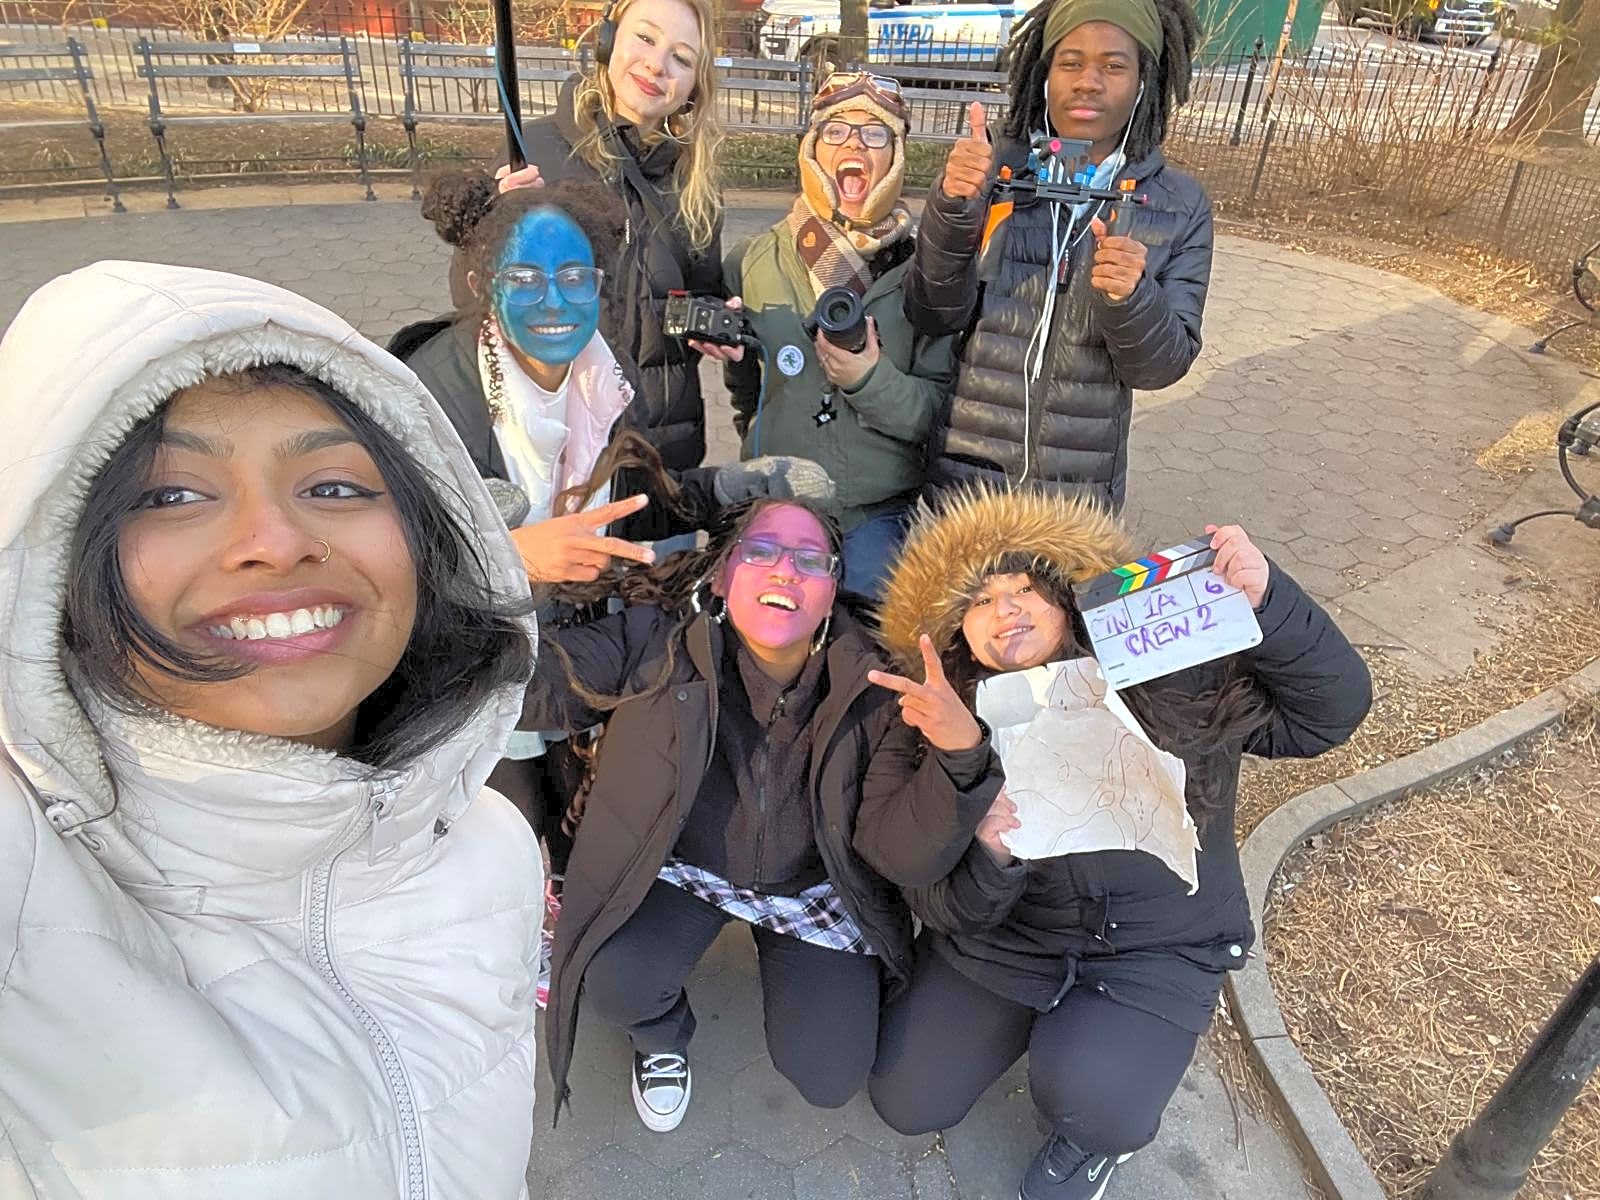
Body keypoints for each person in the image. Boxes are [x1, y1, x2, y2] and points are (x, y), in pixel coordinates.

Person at [0, 261, 544, 1197]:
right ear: (53, 564)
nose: (278, 538)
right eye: (168, 495)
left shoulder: (489, 846)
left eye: (335, 485)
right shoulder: (26, 899)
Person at [866, 487, 1373, 1199]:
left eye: (1025, 588)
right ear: (951, 631)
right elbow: (926, 888)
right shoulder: (937, 714)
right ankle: (1045, 1039)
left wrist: (1268, 602)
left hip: (1158, 945)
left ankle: (1095, 1139)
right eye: (979, 601)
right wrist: (985, 834)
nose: (1006, 609)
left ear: (1067, 597)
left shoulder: (1164, 665)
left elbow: (1328, 716)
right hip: (1005, 943)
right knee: (907, 1100)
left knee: (1093, 1097)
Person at [524, 496, 1005, 1134]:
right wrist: (510, 564)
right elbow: (521, 688)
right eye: (761, 552)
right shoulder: (653, 644)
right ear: (721, 575)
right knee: (613, 980)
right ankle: (661, 1038)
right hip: (684, 869)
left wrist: (961, 760)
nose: (785, 571)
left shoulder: (877, 686)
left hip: (813, 889)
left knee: (830, 1077)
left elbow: (900, 853)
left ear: (833, 592)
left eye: (810, 560)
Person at [904, 0, 1210, 505]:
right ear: (1044, 75)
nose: (1088, 81)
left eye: (1113, 65)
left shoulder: (1180, 205)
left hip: (1075, 501)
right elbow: (931, 312)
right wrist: (953, 209)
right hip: (964, 482)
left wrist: (1132, 298)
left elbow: (1159, 368)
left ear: (1143, 82)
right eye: (1070, 62)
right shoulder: (993, 172)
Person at [429, 0, 726, 489]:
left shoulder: (696, 185)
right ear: (607, 41)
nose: (656, 65)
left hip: (660, 450)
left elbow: (702, 291)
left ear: (696, 83)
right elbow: (471, 302)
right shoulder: (533, 150)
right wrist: (493, 235)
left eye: (682, 57)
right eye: (646, 38)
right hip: (554, 446)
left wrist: (714, 325)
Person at [698, 71, 954, 600]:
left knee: (870, 651)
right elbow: (745, 386)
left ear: (897, 155)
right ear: (812, 148)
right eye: (835, 130)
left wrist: (868, 380)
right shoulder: (753, 261)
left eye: (876, 134)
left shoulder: (929, 274)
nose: (854, 144)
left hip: (876, 517)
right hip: (775, 501)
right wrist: (766, 435)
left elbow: (938, 414)